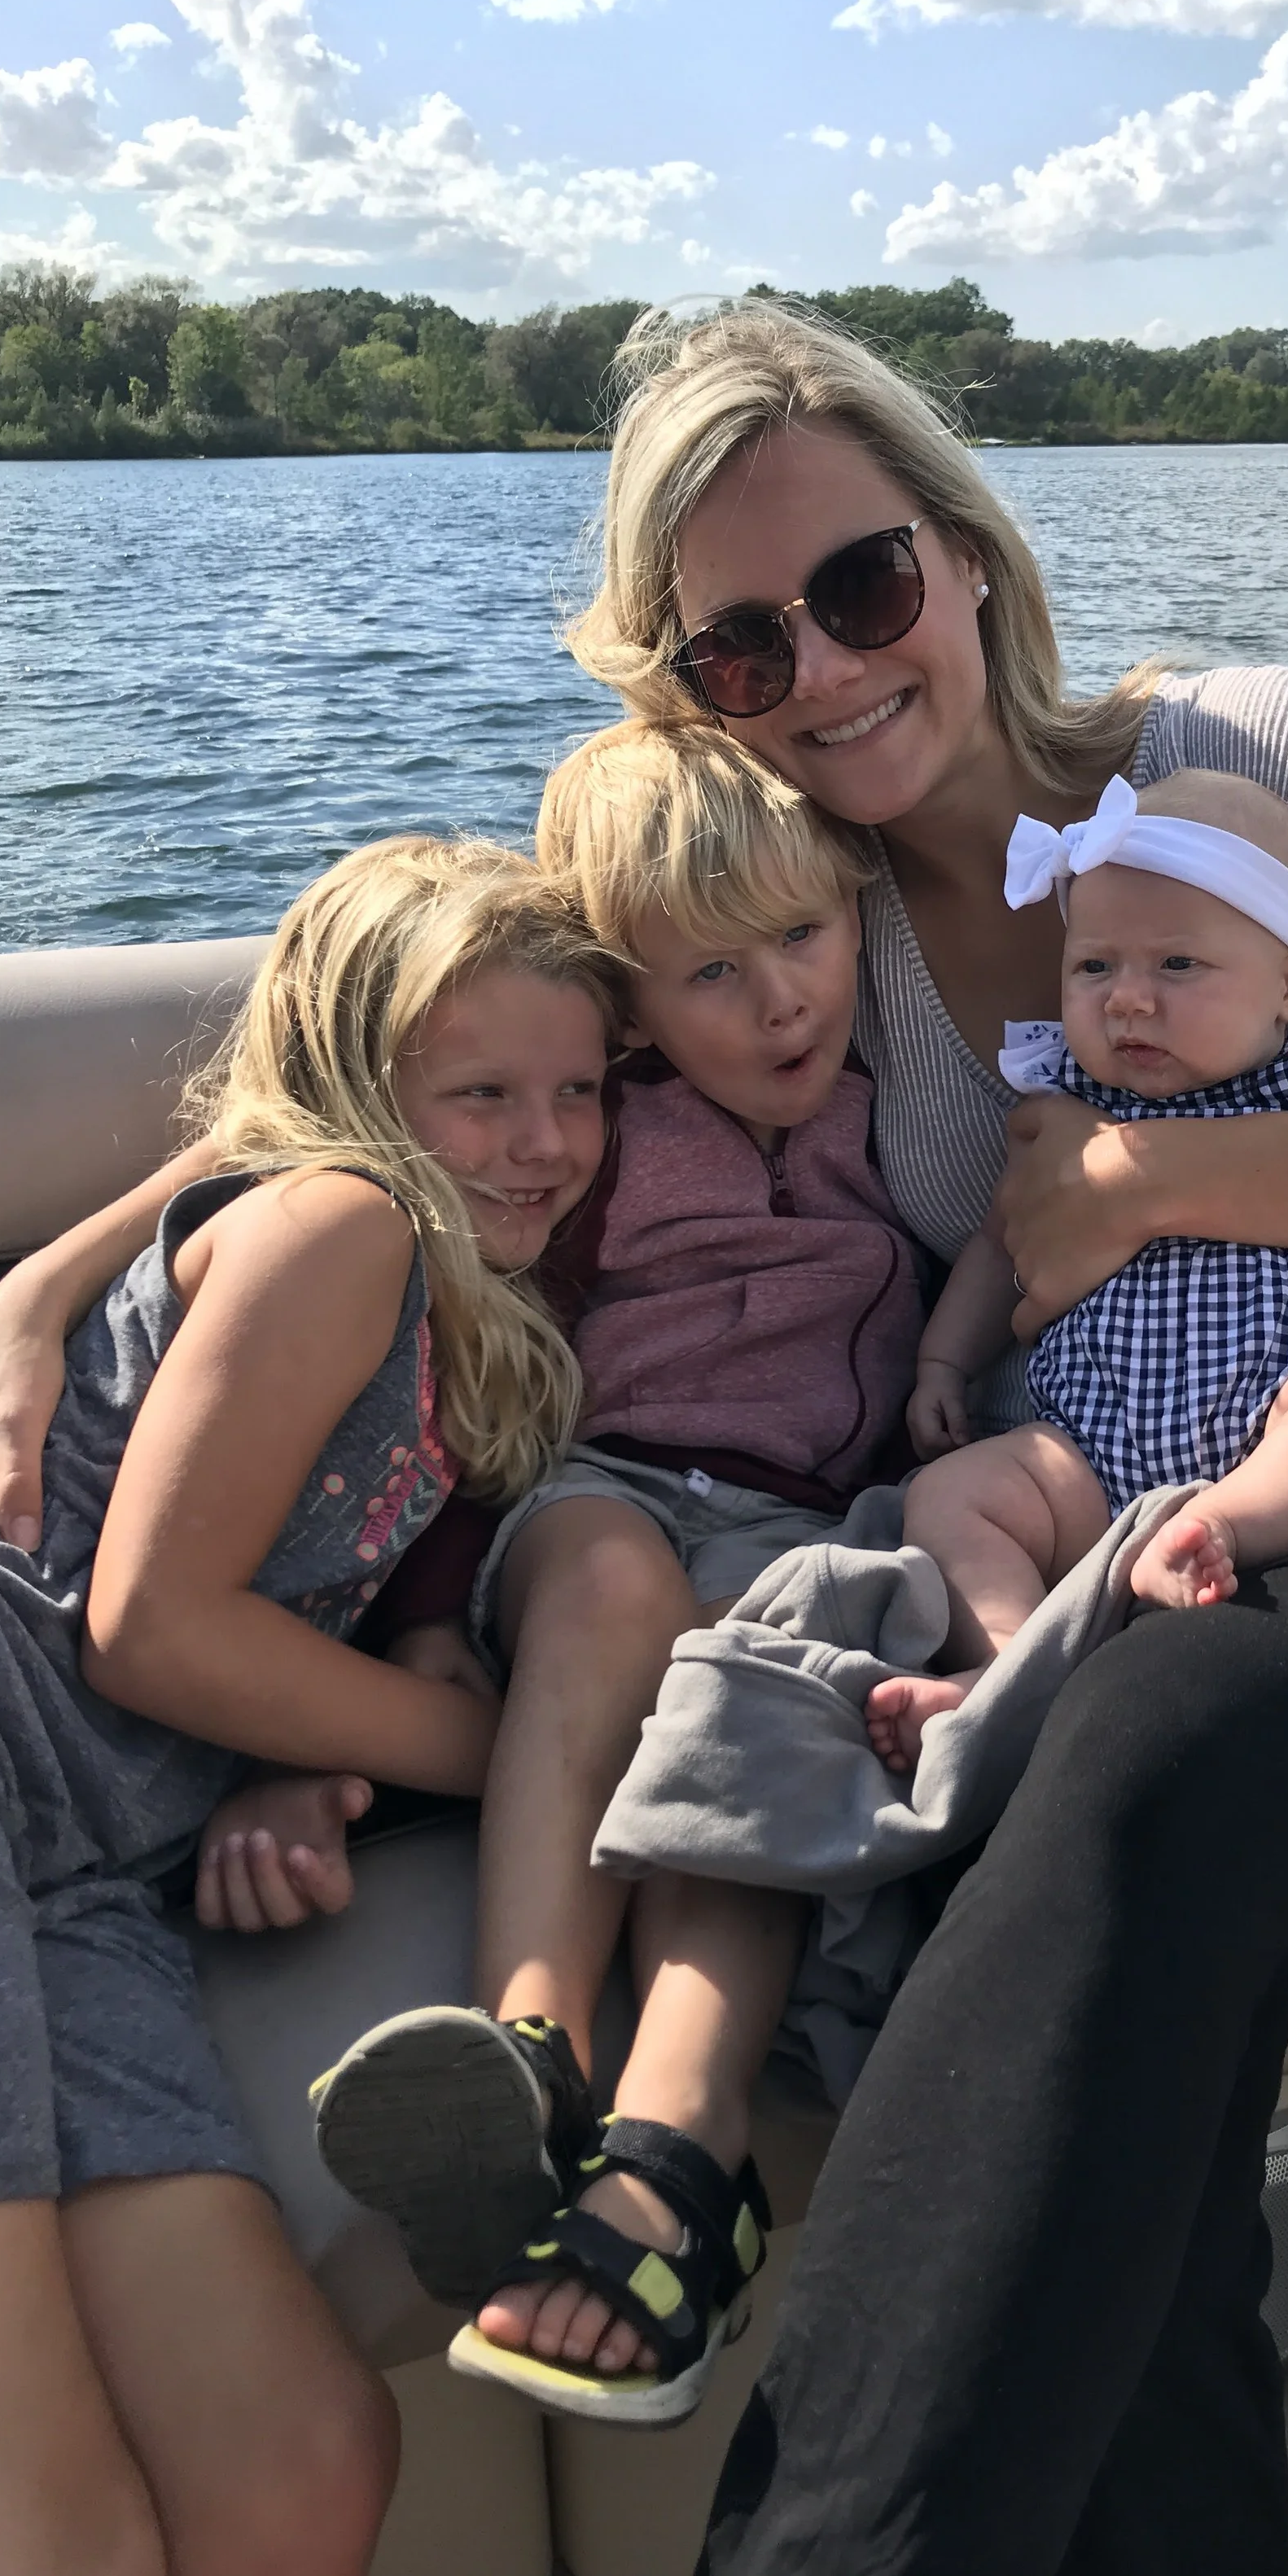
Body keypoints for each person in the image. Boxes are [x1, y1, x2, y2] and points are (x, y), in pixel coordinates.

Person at [0, 296, 1288, 2576]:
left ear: (957, 550)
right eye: (740, 646)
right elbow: (398, 1091)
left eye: (858, 586)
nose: (828, 670)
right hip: (1034, 1537)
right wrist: (59, 1274)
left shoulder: (1232, 757)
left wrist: (1143, 1180)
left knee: (1112, 1783)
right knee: (1065, 1959)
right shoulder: (767, 897)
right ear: (686, 696)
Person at [0, 835, 616, 2576]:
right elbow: (146, 1626)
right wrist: (529, 1761)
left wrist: (304, 1757)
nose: (546, 1142)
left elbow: (306, 1628)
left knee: (298, 2466)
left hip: (86, 1848)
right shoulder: (343, 1219)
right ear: (364, 1085)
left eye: (582, 1088)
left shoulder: (467, 1299)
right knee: (26, 2534)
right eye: (485, 1090)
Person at [307, 718, 930, 2427]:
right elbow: (482, 1362)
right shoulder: (600, 1138)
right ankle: (528, 2057)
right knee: (603, 1586)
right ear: (635, 1010)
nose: (778, 1002)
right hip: (603, 1489)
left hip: (811, 1532)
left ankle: (675, 2140)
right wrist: (430, 1605)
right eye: (710, 974)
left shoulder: (914, 1122)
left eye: (802, 941)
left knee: (761, 1685)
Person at [871, 767, 1288, 1766]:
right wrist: (942, 1364)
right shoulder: (1063, 1106)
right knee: (950, 1498)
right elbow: (998, 1242)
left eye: (1179, 966)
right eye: (1093, 968)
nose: (1129, 1002)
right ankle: (1011, 1672)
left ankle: (1221, 1527)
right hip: (1088, 1452)